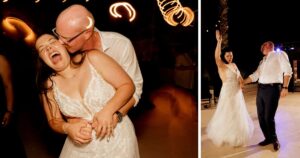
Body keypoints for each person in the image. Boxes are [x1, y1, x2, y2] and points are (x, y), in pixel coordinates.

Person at [35, 34, 140, 157]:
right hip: (80, 147)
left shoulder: (93, 57)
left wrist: (108, 111)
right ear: (42, 59)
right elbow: (54, 120)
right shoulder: (49, 84)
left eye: (52, 42)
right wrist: (67, 128)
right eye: (42, 49)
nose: (48, 48)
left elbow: (127, 85)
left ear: (63, 44)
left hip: (118, 137)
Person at [53, 4, 143, 127]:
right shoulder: (64, 54)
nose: (59, 43)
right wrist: (70, 121)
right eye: (57, 35)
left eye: (67, 39)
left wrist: (117, 115)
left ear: (87, 32)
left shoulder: (121, 44)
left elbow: (135, 88)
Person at [206, 30, 254, 147]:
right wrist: (219, 42)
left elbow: (240, 78)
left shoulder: (234, 65)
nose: (230, 57)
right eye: (227, 55)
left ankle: (237, 133)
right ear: (224, 56)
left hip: (237, 93)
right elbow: (216, 56)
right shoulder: (222, 65)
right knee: (228, 112)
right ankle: (227, 134)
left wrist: (242, 83)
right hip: (228, 92)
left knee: (238, 113)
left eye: (231, 55)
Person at [243, 41, 293, 151]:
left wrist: (285, 87)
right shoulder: (262, 61)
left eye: (267, 44)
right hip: (261, 89)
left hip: (272, 88)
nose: (266, 45)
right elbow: (256, 75)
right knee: (261, 116)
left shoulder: (280, 54)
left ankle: (275, 140)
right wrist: (244, 81)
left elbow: (288, 70)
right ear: (263, 49)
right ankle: (268, 138)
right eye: (264, 45)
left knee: (268, 117)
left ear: (271, 47)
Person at [0, 54, 27, 157]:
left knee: (8, 142)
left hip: (1, 110)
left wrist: (9, 110)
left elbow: (8, 85)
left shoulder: (0, 59)